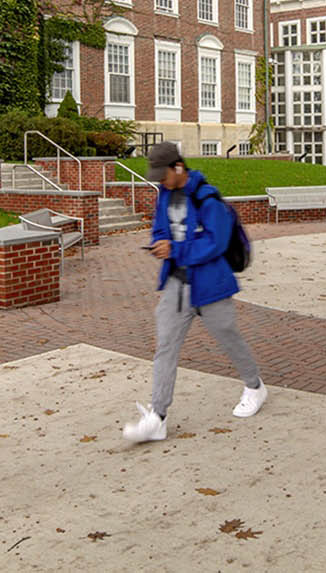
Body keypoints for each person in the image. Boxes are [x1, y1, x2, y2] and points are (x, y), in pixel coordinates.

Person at [122, 141, 265, 443]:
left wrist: (176, 248)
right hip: (176, 285)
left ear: (178, 167)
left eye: (163, 175)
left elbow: (217, 243)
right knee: (165, 348)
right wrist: (161, 244)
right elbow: (159, 229)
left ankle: (254, 386)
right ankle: (157, 418)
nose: (159, 181)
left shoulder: (207, 199)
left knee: (229, 338)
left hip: (211, 285)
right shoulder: (164, 196)